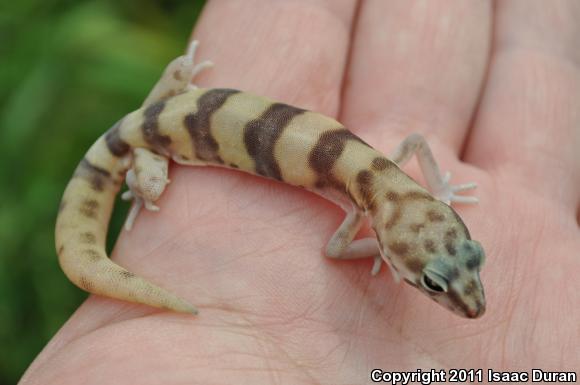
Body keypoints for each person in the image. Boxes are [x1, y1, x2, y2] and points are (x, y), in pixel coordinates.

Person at [20, 1, 580, 383]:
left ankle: (167, 96)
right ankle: (142, 166)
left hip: (173, 106)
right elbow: (337, 251)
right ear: (396, 238)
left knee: (163, 115)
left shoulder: (380, 174)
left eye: (461, 267)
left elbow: (413, 141)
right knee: (156, 187)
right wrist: (387, 241)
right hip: (154, 138)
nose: (465, 297)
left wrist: (431, 199)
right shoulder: (364, 205)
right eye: (436, 283)